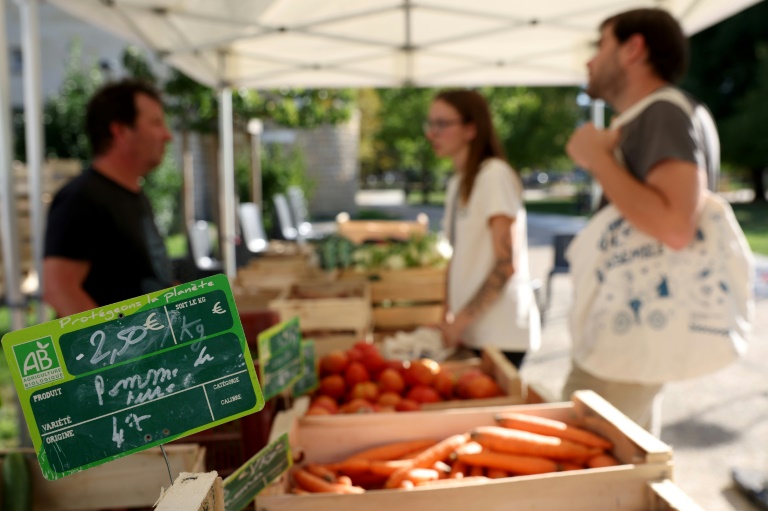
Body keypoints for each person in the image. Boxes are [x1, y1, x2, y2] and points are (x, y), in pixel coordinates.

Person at [562, 8, 722, 434]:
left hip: (626, 336)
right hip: (638, 330)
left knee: (582, 456)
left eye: (600, 45)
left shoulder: (662, 111)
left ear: (633, 48)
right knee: (629, 460)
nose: (590, 61)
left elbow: (675, 227)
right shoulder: (665, 113)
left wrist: (597, 158)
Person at [425, 89, 541, 369]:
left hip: (500, 336)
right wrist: (448, 317)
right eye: (430, 123)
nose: (432, 133)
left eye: (442, 124)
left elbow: (505, 264)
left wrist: (459, 322)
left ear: (471, 129)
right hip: (471, 332)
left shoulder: (494, 175)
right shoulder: (458, 182)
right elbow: (457, 257)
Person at [43, 79, 174, 317]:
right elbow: (58, 289)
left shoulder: (134, 193)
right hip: (128, 342)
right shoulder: (82, 198)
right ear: (120, 131)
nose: (167, 135)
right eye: (156, 123)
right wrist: (117, 338)